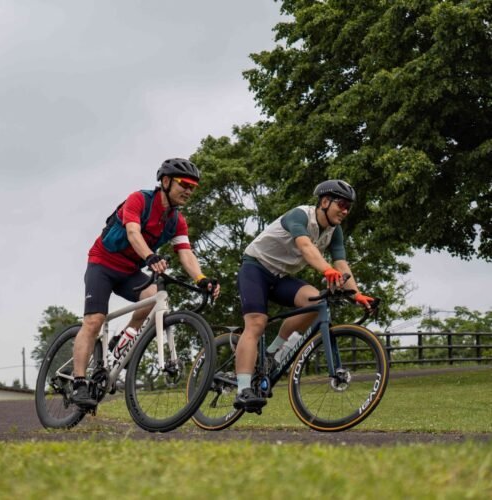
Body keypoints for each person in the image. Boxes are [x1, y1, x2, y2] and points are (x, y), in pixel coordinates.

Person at [70, 158, 221, 410]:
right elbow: (133, 233)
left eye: (193, 187)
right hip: (103, 264)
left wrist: (201, 279)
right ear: (165, 181)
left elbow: (185, 253)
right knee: (95, 320)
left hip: (129, 270)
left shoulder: (177, 220)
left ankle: (121, 343)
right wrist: (150, 256)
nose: (188, 191)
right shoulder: (139, 200)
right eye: (184, 184)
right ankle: (78, 382)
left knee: (153, 298)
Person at [233, 179, 374, 411]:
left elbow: (342, 264)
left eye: (349, 207)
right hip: (256, 268)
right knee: (257, 323)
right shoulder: (300, 216)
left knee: (315, 301)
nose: (345, 211)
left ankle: (271, 354)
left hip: (281, 277)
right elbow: (306, 248)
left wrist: (357, 295)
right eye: (341, 204)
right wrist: (326, 269)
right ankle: (243, 390)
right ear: (325, 202)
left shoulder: (333, 231)